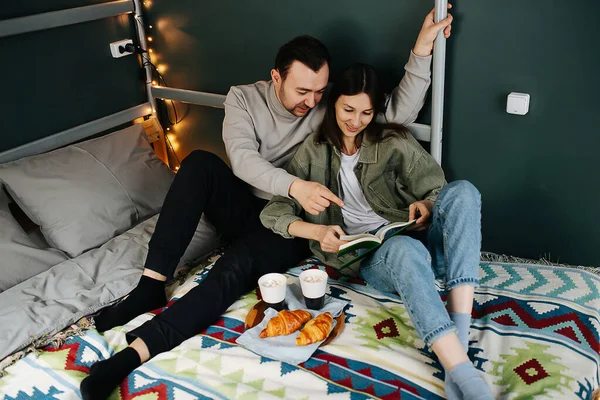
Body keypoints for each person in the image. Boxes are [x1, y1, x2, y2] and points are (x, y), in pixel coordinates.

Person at [80, 7, 454, 399]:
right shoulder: (243, 99)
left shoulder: (327, 107)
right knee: (198, 164)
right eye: (302, 91)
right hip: (253, 201)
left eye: (320, 92)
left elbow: (393, 112)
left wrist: (423, 49)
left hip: (291, 224)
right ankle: (150, 285)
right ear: (276, 77)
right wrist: (296, 186)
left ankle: (135, 353)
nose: (311, 102)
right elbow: (242, 160)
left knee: (234, 268)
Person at [259, 63, 492, 400]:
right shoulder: (313, 151)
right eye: (348, 109)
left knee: (464, 192)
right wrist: (316, 231)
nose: (356, 120)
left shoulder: (393, 140)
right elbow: (274, 211)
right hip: (376, 258)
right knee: (403, 251)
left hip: (420, 239)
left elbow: (437, 189)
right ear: (333, 103)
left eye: (366, 112)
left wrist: (427, 205)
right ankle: (463, 373)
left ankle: (459, 331)